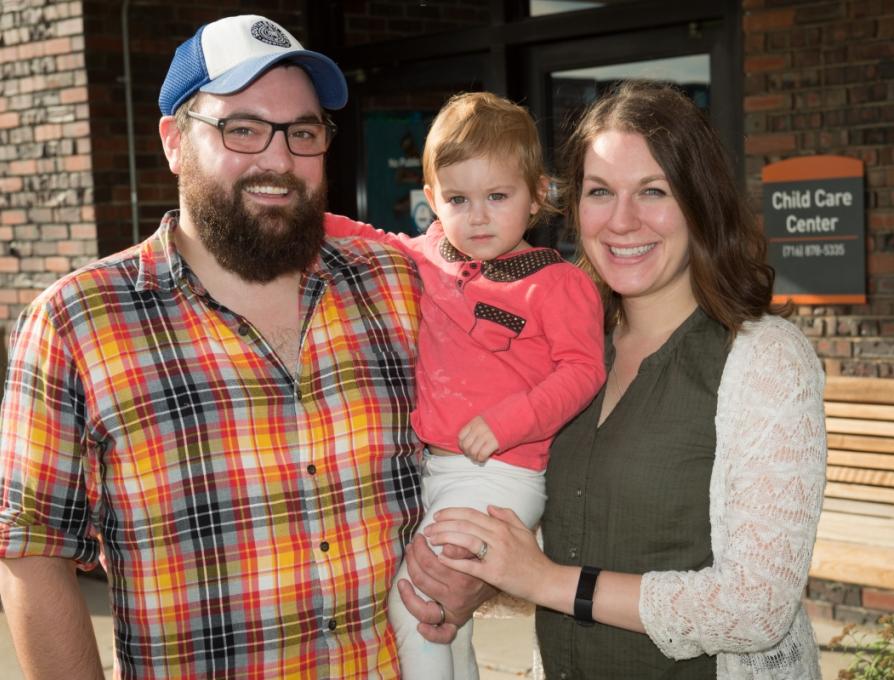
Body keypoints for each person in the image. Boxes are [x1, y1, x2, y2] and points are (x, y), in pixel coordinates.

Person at [0, 14, 476, 679]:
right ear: (173, 141)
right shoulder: (75, 322)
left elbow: (465, 464)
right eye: (241, 128)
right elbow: (32, 552)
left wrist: (476, 570)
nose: (278, 160)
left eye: (303, 132)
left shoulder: (394, 288)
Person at [424, 80, 828, 679]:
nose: (622, 221)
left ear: (700, 201)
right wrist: (472, 580)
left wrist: (548, 581)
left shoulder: (764, 359)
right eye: (600, 192)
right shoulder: (567, 353)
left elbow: (757, 608)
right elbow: (538, 536)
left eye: (653, 191)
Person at [325, 91, 606, 679]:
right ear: (431, 201)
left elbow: (583, 372)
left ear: (535, 196)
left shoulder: (558, 283)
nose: (477, 216)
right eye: (457, 199)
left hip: (504, 474)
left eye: (497, 197)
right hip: (440, 472)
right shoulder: (428, 255)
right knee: (449, 624)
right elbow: (363, 234)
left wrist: (507, 422)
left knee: (416, 603)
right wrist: (299, 211)